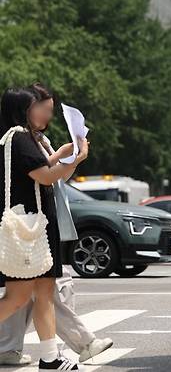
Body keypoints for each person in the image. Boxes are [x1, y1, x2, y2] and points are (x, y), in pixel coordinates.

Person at [0, 84, 112, 366]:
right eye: (44, 109)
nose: (47, 115)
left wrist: (63, 152)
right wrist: (76, 159)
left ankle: (50, 357)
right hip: (31, 229)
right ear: (26, 108)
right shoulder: (20, 137)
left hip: (36, 228)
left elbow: (37, 169)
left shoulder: (22, 139)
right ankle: (50, 357)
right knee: (18, 297)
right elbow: (45, 176)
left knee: (42, 293)